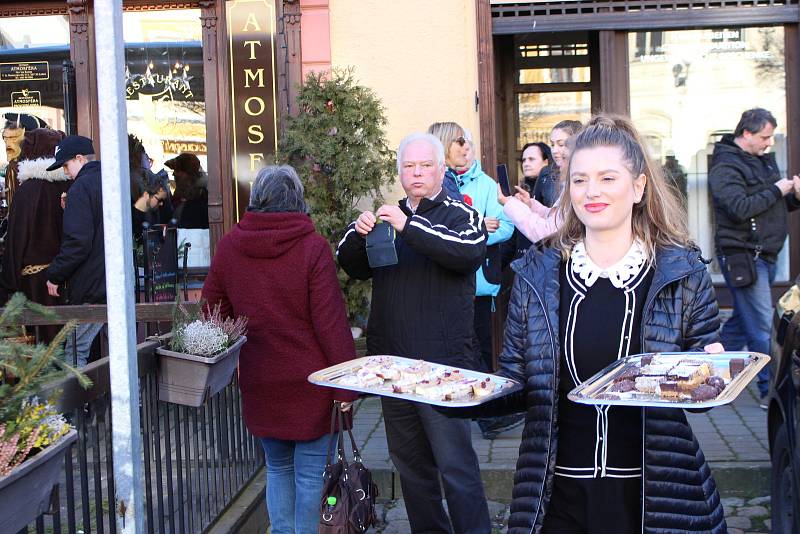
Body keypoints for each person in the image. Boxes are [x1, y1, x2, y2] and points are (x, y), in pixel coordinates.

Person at [467, 115, 726, 533]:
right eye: (580, 180)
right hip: (556, 495)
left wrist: (712, 373)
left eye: (608, 178)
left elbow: (705, 388)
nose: (592, 192)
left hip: (655, 498)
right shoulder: (535, 275)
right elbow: (518, 381)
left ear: (638, 186)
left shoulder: (682, 273)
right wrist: (466, 398)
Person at [337, 132, 491, 534]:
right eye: (409, 166)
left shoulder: (461, 214)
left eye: (425, 165)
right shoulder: (389, 219)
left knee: (457, 468)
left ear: (442, 169)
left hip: (444, 370)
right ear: (399, 171)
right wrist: (359, 232)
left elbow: (468, 252)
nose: (417, 172)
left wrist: (409, 226)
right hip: (395, 369)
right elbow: (350, 264)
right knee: (412, 471)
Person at [202, 164, 357, 534]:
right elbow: (331, 324)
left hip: (260, 379)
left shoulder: (230, 247)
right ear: (299, 201)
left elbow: (211, 313)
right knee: (309, 477)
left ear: (255, 200)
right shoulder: (312, 247)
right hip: (313, 384)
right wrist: (346, 386)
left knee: (277, 469)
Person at [708, 108, 800, 404]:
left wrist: (793, 196)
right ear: (746, 134)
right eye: (764, 137)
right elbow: (740, 208)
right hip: (744, 256)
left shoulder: (760, 160)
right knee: (762, 326)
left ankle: (711, 375)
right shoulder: (725, 165)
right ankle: (771, 394)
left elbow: (771, 206)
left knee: (740, 323)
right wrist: (776, 189)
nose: (768, 143)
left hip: (765, 254)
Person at [0, 126, 70, 342]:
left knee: (41, 342)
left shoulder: (27, 192)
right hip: (65, 277)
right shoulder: (68, 186)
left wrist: (8, 283)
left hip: (35, 283)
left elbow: (16, 240)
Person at [45, 135, 105, 367]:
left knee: (75, 352)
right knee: (123, 349)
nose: (66, 172)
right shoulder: (110, 180)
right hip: (115, 282)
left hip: (93, 286)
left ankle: (75, 405)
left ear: (79, 159)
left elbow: (78, 242)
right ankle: (133, 403)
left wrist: (55, 274)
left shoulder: (80, 188)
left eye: (66, 165)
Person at [165, 153, 209, 229]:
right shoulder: (181, 196)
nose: (173, 174)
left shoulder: (201, 197)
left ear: (189, 173)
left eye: (177, 170)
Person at [426, 122, 467, 201]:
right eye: (461, 141)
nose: (466, 146)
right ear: (444, 143)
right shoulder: (442, 182)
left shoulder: (447, 178)